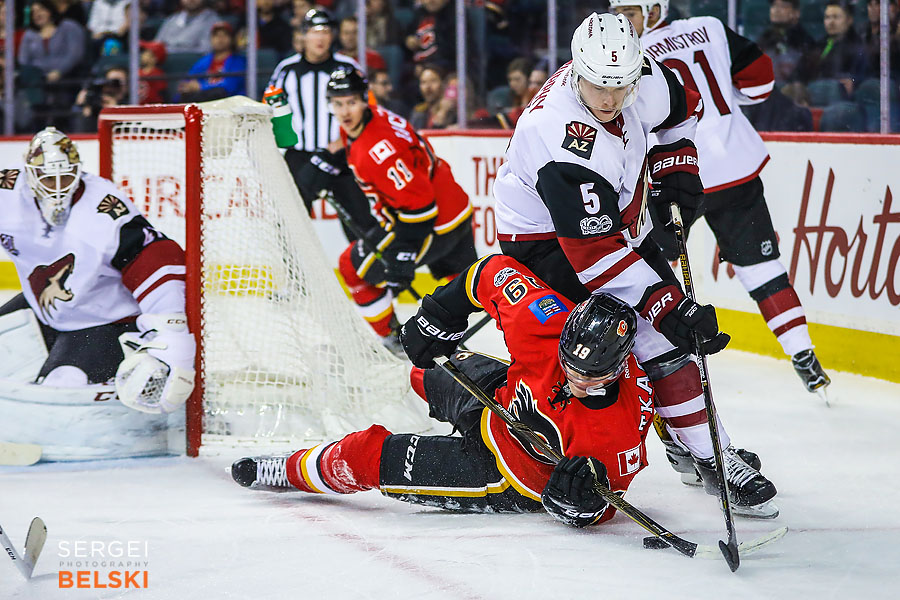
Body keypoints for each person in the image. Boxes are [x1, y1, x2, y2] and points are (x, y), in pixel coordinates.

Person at [486, 12, 777, 516]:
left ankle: (695, 445)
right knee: (650, 333)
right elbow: (594, 256)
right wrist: (666, 306)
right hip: (546, 241)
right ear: (577, 70)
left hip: (615, 222)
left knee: (668, 330)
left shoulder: (637, 78)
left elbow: (685, 102)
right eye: (599, 87)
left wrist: (676, 158)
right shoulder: (558, 136)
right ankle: (710, 454)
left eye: (620, 86)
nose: (610, 99)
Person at [233, 259, 653, 529]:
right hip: (497, 397)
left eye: (591, 377)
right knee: (422, 369)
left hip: (505, 473)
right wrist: (440, 314)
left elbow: (606, 501)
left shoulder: (618, 432)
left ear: (620, 367)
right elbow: (493, 272)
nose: (576, 381)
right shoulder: (543, 322)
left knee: (367, 454)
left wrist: (582, 507)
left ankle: (289, 470)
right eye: (569, 367)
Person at [612, 0, 831, 395]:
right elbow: (761, 82)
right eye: (619, 13)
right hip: (734, 167)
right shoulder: (710, 27)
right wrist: (724, 103)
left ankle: (646, 360)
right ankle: (802, 351)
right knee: (760, 266)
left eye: (629, 13)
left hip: (675, 173)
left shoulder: (627, 54)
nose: (622, 21)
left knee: (649, 268)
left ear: (654, 10)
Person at [0, 128, 195, 414]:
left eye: (66, 177)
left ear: (79, 171)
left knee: (61, 390)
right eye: (48, 178)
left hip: (105, 322)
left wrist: (171, 332)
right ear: (30, 173)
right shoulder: (6, 191)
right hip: (47, 312)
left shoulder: (103, 210)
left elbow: (157, 255)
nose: (57, 188)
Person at [327, 69, 476, 352]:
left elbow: (421, 208)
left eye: (351, 102)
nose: (345, 111)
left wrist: (403, 252)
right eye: (338, 103)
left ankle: (393, 338)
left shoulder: (377, 150)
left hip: (434, 222)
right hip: (455, 206)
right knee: (462, 281)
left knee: (350, 266)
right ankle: (513, 322)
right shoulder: (373, 117)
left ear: (364, 100)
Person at [268, 9, 373, 238]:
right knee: (290, 226)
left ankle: (369, 261)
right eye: (315, 31)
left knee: (362, 225)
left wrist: (344, 141)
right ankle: (290, 263)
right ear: (303, 35)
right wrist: (282, 148)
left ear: (332, 36)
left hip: (342, 154)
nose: (320, 37)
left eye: (326, 31)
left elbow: (369, 108)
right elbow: (272, 111)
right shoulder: (287, 70)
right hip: (300, 156)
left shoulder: (347, 67)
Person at [795, 1, 868, 95]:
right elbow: (799, 72)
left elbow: (862, 75)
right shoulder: (817, 45)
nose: (831, 22)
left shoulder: (858, 47)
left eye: (836, 17)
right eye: (827, 17)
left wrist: (854, 81)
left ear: (849, 20)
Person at [178, 21, 247, 101]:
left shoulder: (238, 61)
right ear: (211, 39)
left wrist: (201, 86)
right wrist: (188, 87)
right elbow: (188, 80)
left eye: (225, 35)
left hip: (229, 101)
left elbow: (230, 86)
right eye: (216, 35)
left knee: (218, 92)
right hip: (204, 99)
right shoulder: (204, 61)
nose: (220, 39)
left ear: (232, 39)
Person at [756, 0, 816, 83]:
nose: (776, 10)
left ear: (796, 13)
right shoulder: (765, 38)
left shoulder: (804, 41)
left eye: (783, 6)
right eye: (774, 5)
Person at [154, 0, 219, 54]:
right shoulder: (171, 19)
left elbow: (205, 50)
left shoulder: (212, 21)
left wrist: (170, 50)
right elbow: (157, 45)